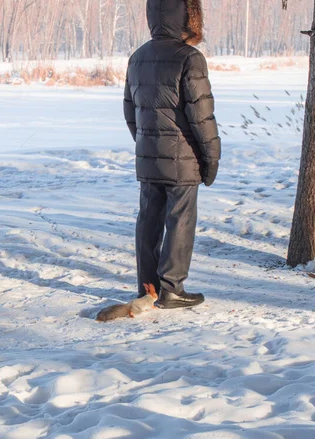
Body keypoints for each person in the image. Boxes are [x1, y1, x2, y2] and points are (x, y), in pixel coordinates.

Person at [123, 0, 221, 309]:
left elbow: (130, 111)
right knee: (180, 219)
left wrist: (147, 144)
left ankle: (147, 286)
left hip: (148, 156)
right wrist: (211, 160)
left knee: (149, 220)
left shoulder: (137, 57)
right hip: (183, 159)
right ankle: (171, 288)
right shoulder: (189, 58)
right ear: (188, 18)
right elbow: (202, 117)